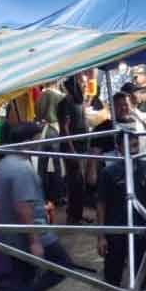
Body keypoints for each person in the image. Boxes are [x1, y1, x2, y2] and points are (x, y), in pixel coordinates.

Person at [0, 123, 75, 291]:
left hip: (12, 233)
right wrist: (35, 241)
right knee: (62, 265)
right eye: (37, 139)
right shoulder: (22, 169)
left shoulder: (4, 163)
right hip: (33, 231)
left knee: (22, 276)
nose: (40, 143)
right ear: (28, 141)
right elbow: (23, 207)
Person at [96, 131, 146, 291]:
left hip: (140, 231)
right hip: (116, 231)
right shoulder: (109, 172)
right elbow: (101, 204)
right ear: (118, 148)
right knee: (112, 276)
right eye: (128, 145)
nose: (132, 149)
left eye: (135, 145)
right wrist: (101, 236)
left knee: (139, 276)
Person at [57, 73, 90, 224]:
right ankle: (73, 216)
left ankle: (78, 214)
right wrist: (71, 150)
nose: (85, 85)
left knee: (80, 183)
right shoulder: (65, 103)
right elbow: (64, 128)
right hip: (72, 148)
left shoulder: (79, 101)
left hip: (81, 146)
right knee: (74, 183)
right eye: (82, 83)